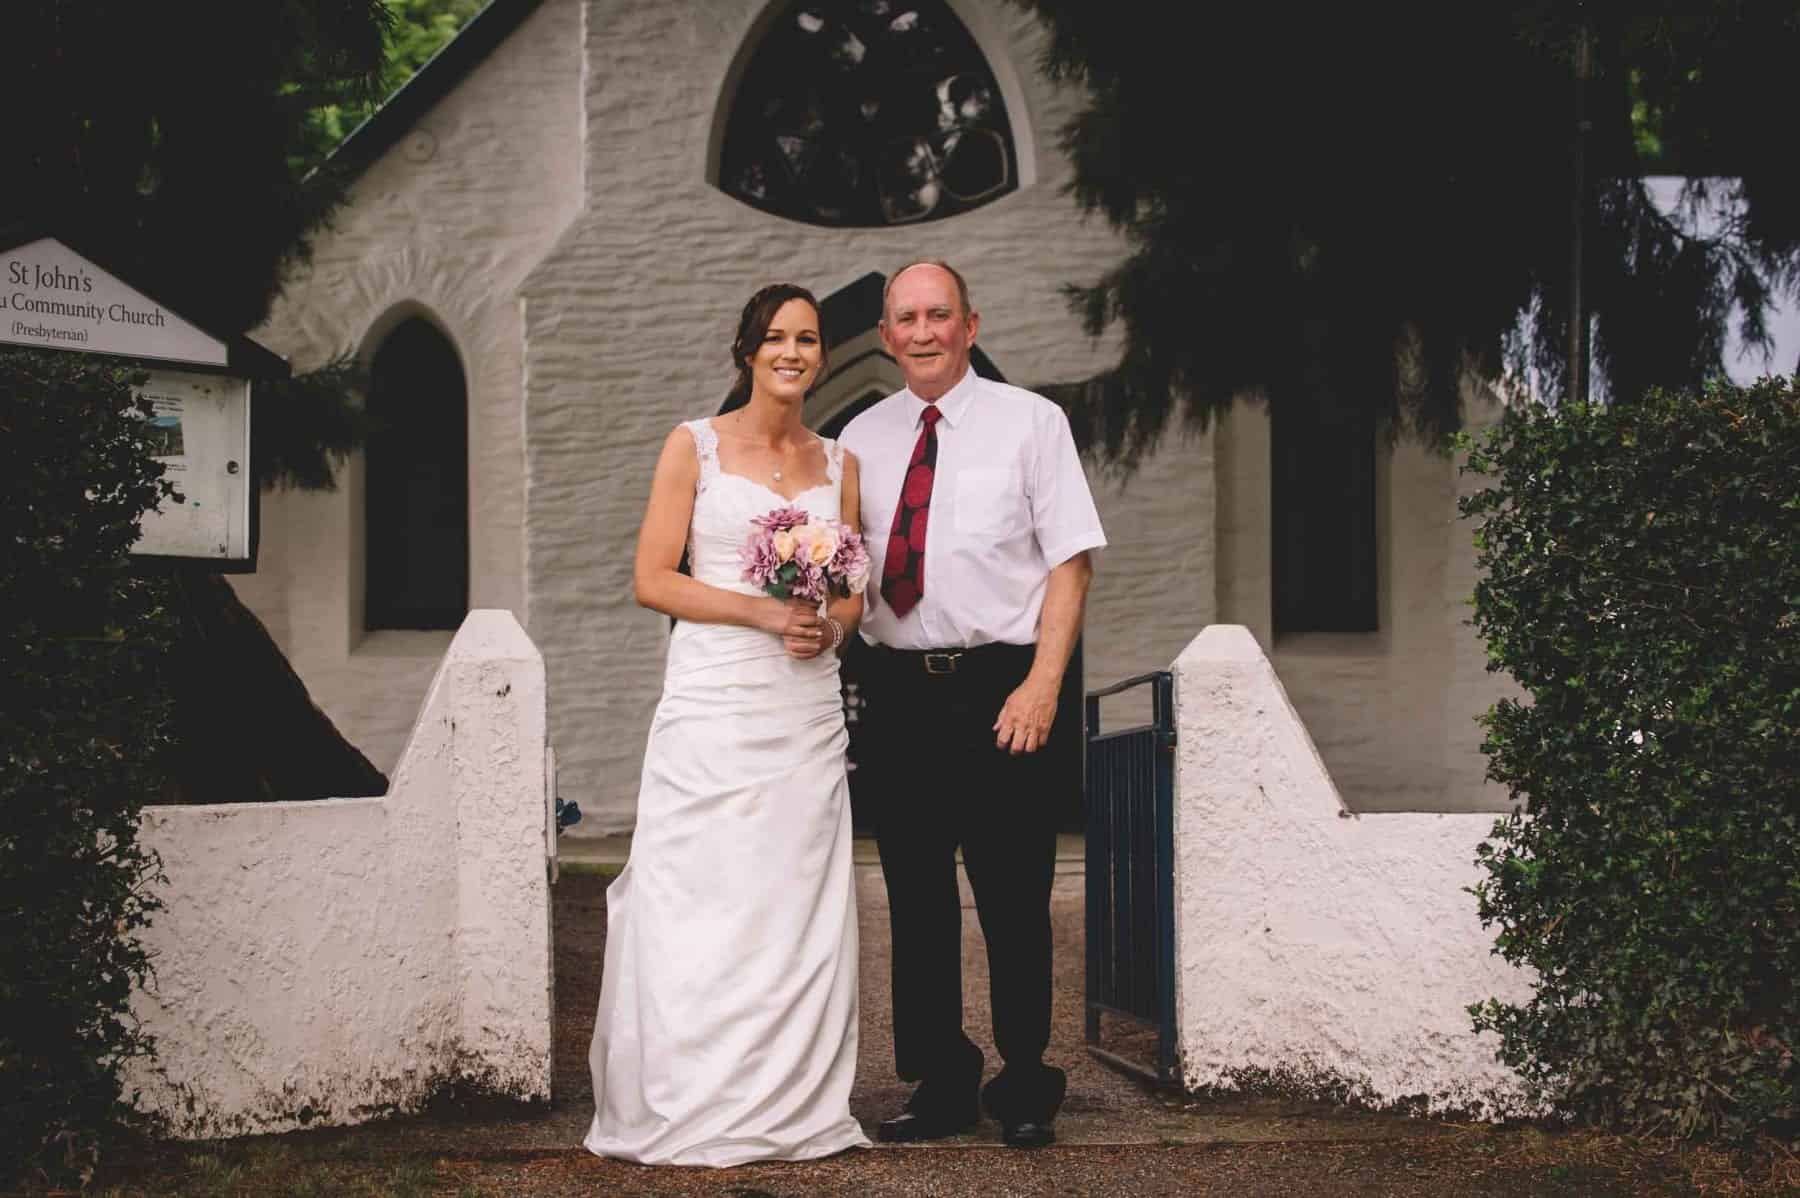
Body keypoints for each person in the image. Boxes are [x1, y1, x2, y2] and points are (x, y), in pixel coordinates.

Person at [584, 283, 871, 1167]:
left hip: (803, 706)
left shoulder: (840, 464)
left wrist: (830, 624)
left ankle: (789, 1101)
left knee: (792, 897)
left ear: (823, 356)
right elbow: (652, 579)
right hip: (715, 701)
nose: (795, 352)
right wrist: (758, 614)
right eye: (778, 337)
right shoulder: (694, 447)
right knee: (700, 889)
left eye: (810, 340)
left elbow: (854, 592)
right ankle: (691, 1096)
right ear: (748, 350)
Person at [839, 260, 1106, 1149]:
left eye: (939, 315)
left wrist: (1043, 683)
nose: (923, 332)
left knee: (1012, 893)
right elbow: (846, 572)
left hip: (1003, 688)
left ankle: (1025, 1079)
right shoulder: (860, 440)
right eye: (906, 318)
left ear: (970, 324)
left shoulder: (1033, 422)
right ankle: (941, 1079)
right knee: (914, 897)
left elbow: (1071, 561)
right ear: (886, 335)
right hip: (899, 693)